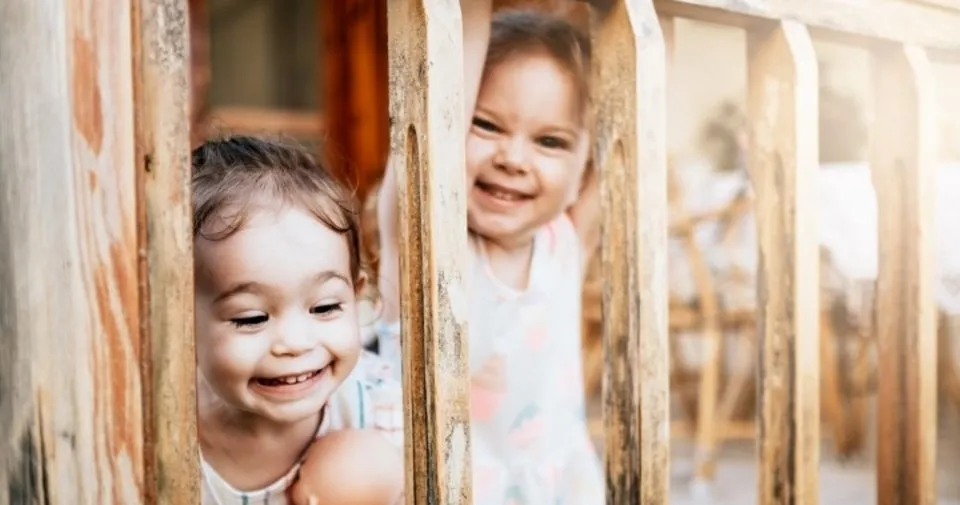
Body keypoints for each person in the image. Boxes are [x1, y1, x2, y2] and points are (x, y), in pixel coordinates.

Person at [373, 7, 604, 504]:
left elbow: (641, 79)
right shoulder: (425, 237)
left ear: (586, 166)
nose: (513, 159)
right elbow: (437, 91)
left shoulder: (567, 241)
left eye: (550, 140)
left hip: (559, 486)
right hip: (448, 486)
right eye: (486, 125)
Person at [191, 136, 403, 505]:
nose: (296, 342)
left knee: (366, 464)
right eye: (251, 317)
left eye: (324, 308)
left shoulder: (379, 407)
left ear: (356, 293)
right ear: (180, 323)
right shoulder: (148, 431)